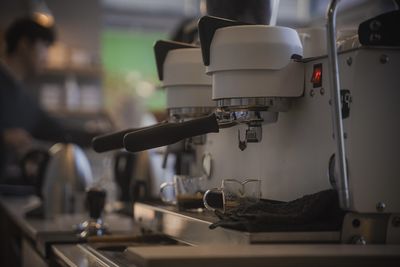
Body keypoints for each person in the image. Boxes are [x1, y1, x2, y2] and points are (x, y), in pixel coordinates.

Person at [0, 16, 66, 183]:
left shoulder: (24, 98)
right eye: (44, 46)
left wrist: (95, 133)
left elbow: (57, 129)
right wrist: (3, 136)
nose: (47, 57)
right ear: (24, 44)